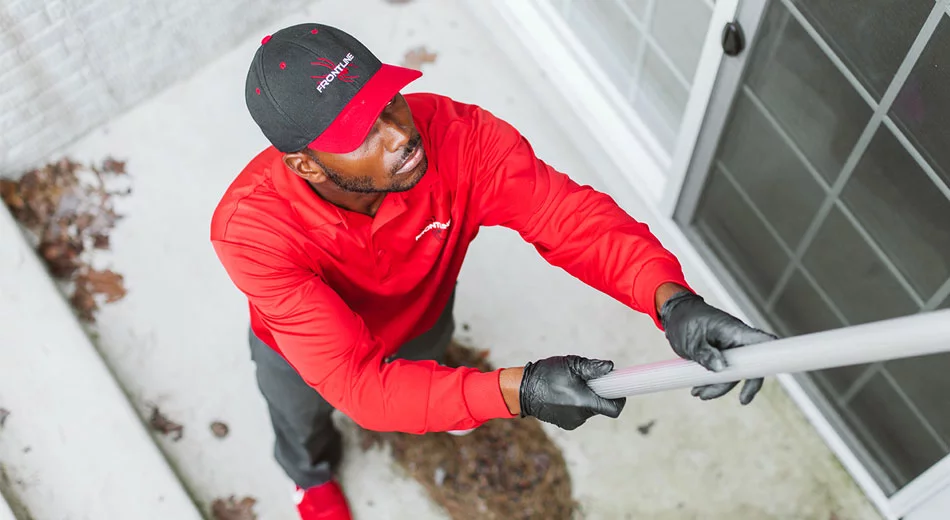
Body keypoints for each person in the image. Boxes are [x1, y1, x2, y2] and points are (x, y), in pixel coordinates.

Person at [211, 23, 776, 520]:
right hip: (299, 351)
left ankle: (436, 394)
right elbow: (357, 383)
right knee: (299, 415)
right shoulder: (251, 232)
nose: (400, 133)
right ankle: (309, 479)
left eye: (388, 99)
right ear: (306, 164)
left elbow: (567, 217)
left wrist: (671, 299)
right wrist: (520, 391)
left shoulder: (458, 135)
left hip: (421, 317)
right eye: (361, 132)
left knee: (427, 372)